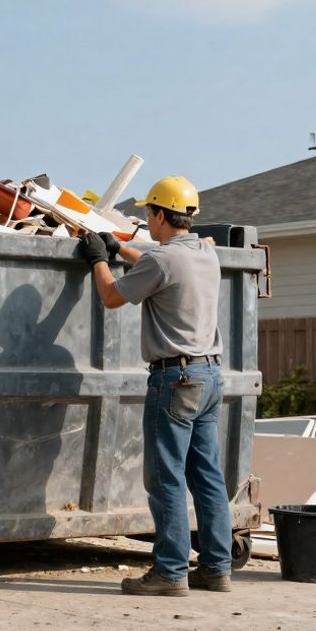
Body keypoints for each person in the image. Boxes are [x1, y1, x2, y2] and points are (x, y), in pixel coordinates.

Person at [75, 176, 232, 597]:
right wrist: (119, 248)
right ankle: (216, 568)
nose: (147, 218)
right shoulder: (206, 253)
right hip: (210, 376)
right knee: (208, 477)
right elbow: (157, 264)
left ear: (160, 215)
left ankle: (169, 573)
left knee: (166, 479)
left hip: (174, 380)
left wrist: (97, 261)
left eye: (149, 212)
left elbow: (111, 297)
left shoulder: (162, 262)